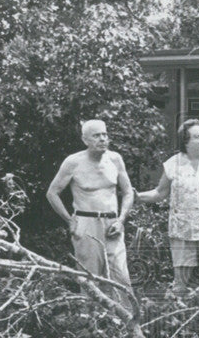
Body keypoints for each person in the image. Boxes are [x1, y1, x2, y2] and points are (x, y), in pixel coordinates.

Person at [137, 119, 199, 304]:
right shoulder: (173, 164)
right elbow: (160, 192)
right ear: (186, 142)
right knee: (181, 279)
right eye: (198, 136)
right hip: (182, 229)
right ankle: (177, 320)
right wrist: (137, 196)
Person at [46, 118, 134, 305]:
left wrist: (121, 220)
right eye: (96, 135)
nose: (102, 139)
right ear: (85, 140)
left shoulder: (115, 159)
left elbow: (128, 192)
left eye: (105, 134)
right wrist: (69, 220)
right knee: (89, 278)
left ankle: (125, 324)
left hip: (112, 224)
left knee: (121, 277)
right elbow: (52, 193)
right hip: (85, 223)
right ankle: (92, 326)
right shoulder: (73, 162)